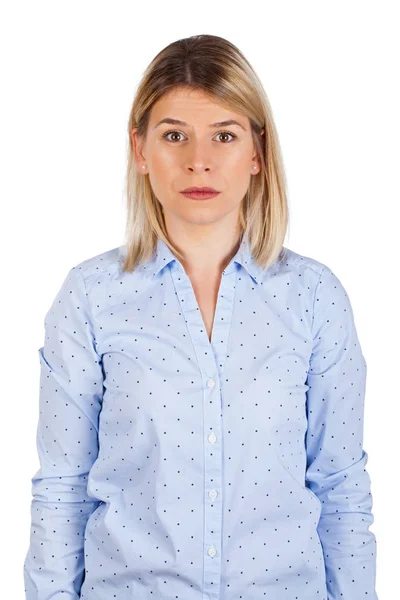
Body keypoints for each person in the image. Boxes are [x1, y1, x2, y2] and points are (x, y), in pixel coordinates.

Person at [23, 34, 378, 600]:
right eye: (173, 136)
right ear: (140, 149)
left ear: (258, 152)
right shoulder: (90, 298)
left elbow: (341, 488)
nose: (199, 161)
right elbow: (63, 491)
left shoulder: (315, 298)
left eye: (225, 135)